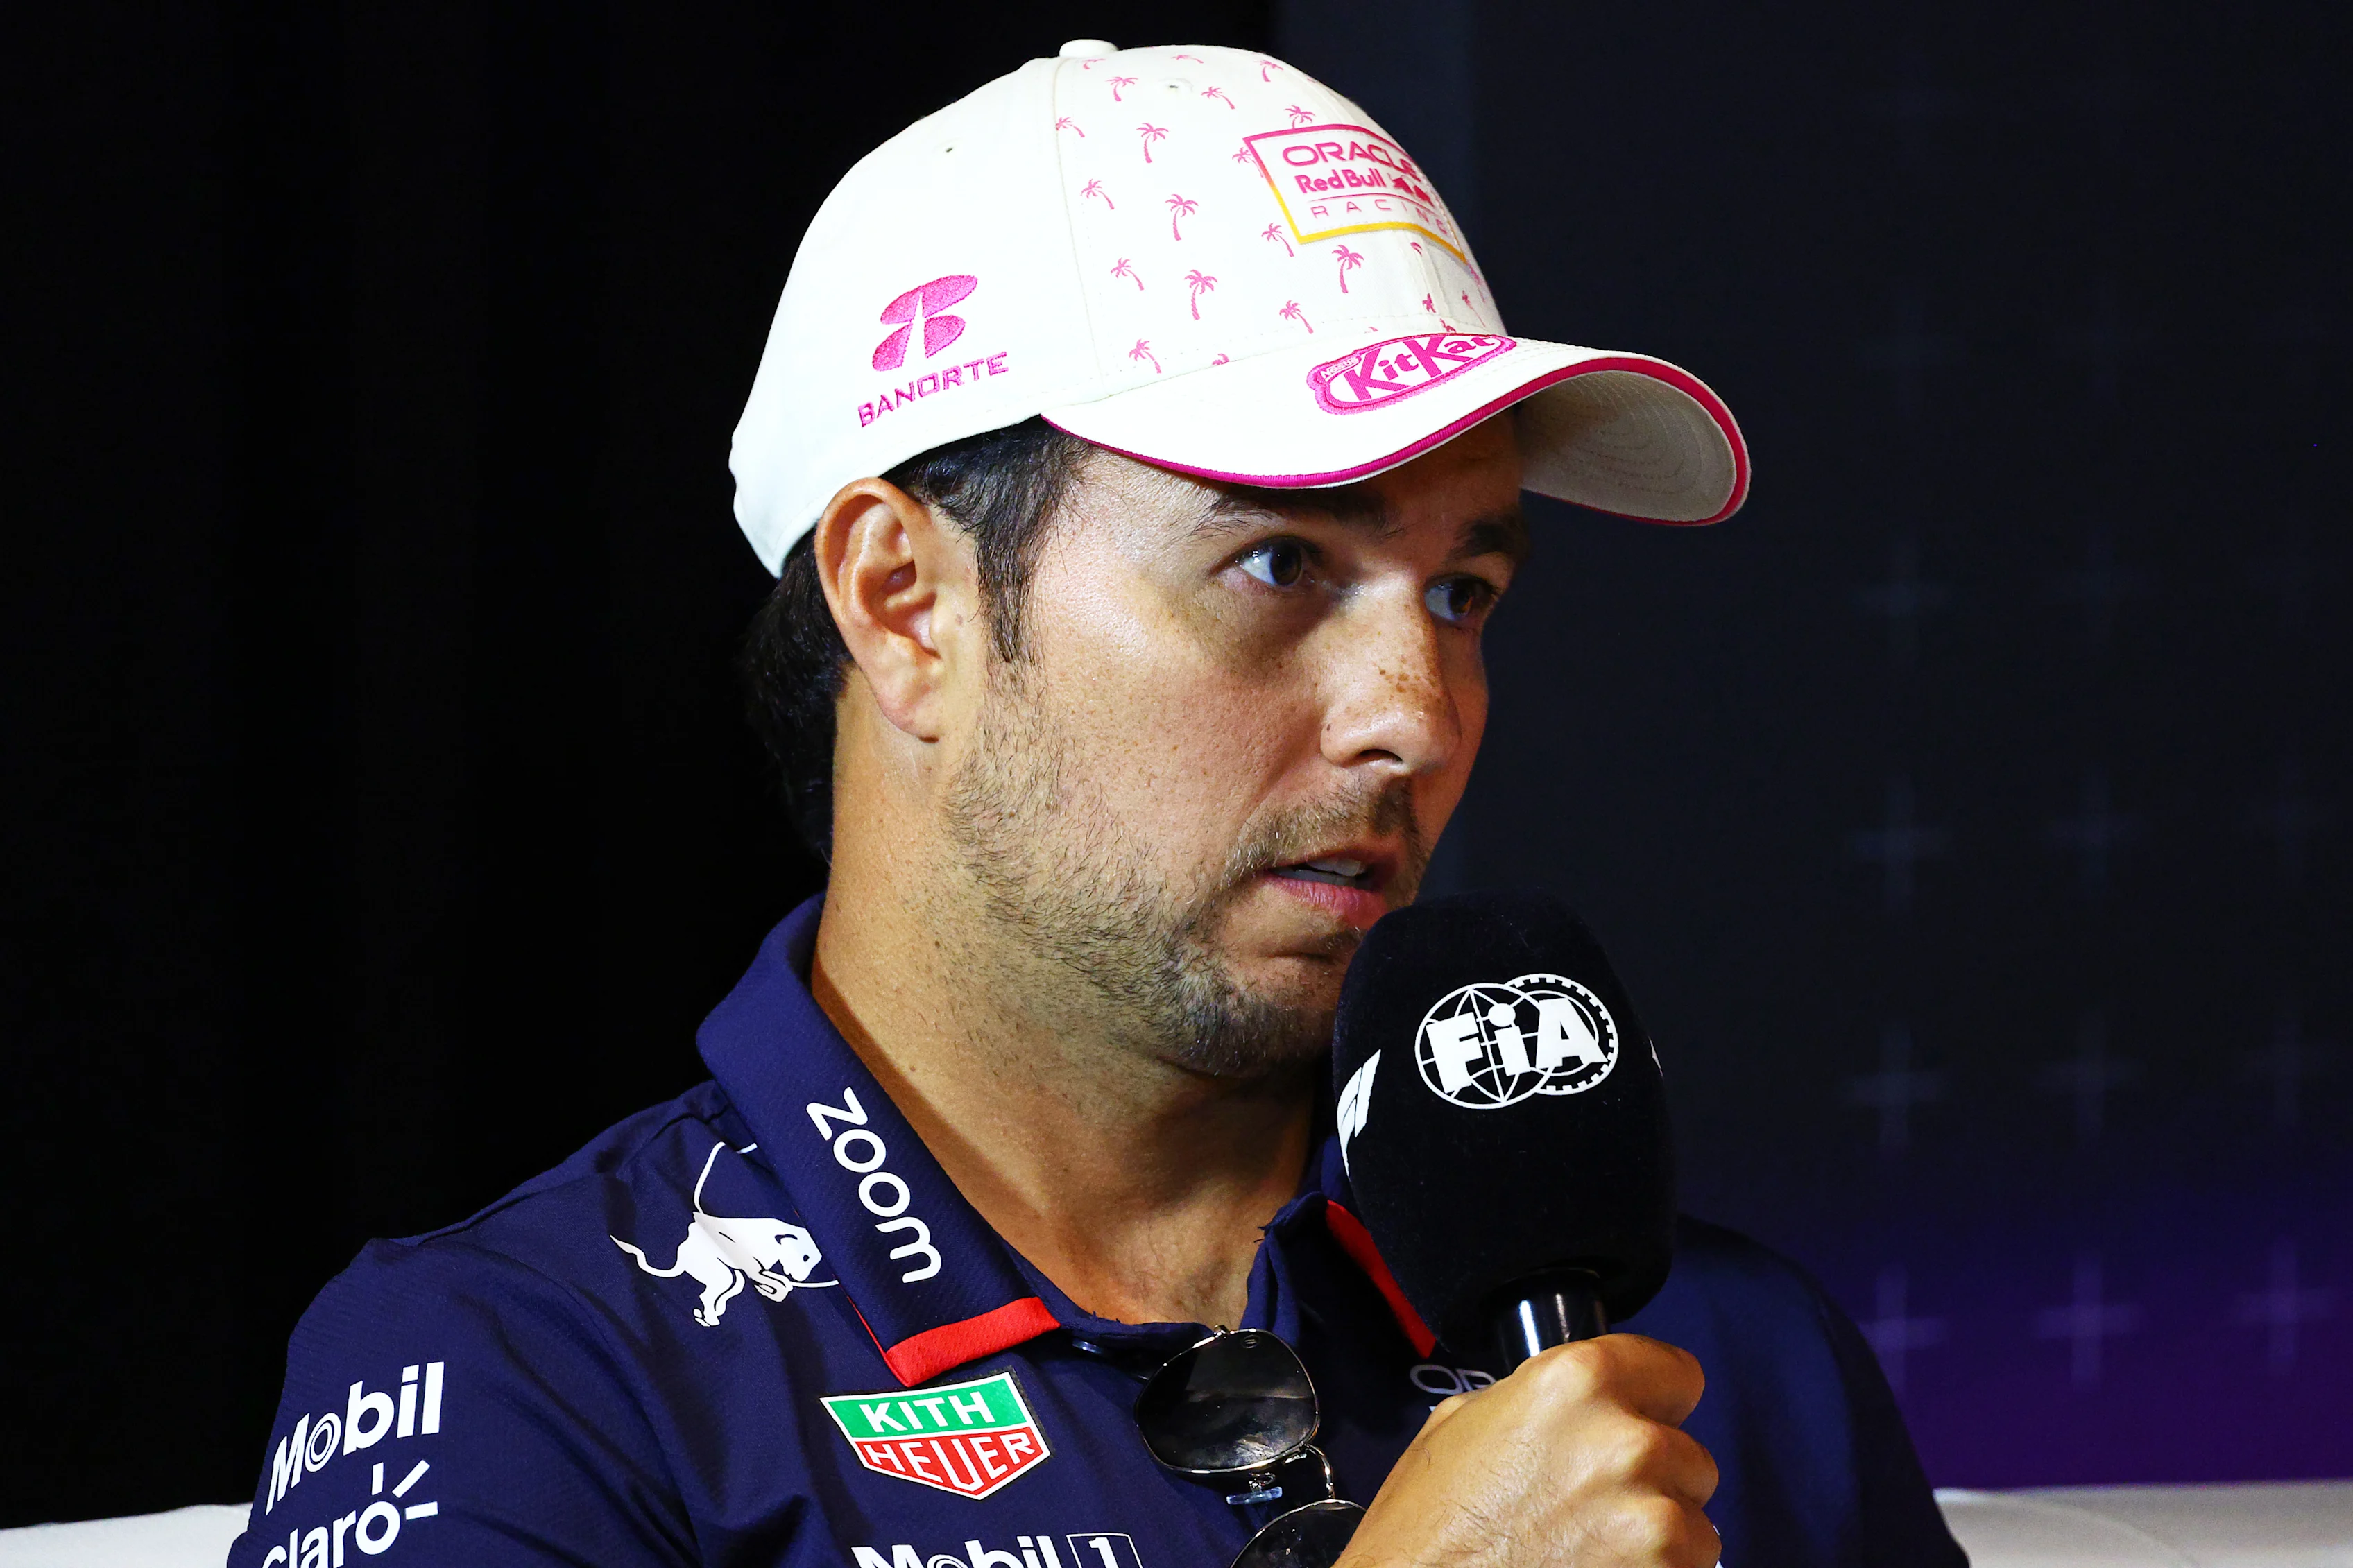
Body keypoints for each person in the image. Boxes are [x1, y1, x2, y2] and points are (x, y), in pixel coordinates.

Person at [230, 41, 1962, 1568]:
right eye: (1278, 563)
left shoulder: (1714, 1352)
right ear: (906, 604)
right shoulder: (526, 1369)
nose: (1415, 714)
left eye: (1461, 593)